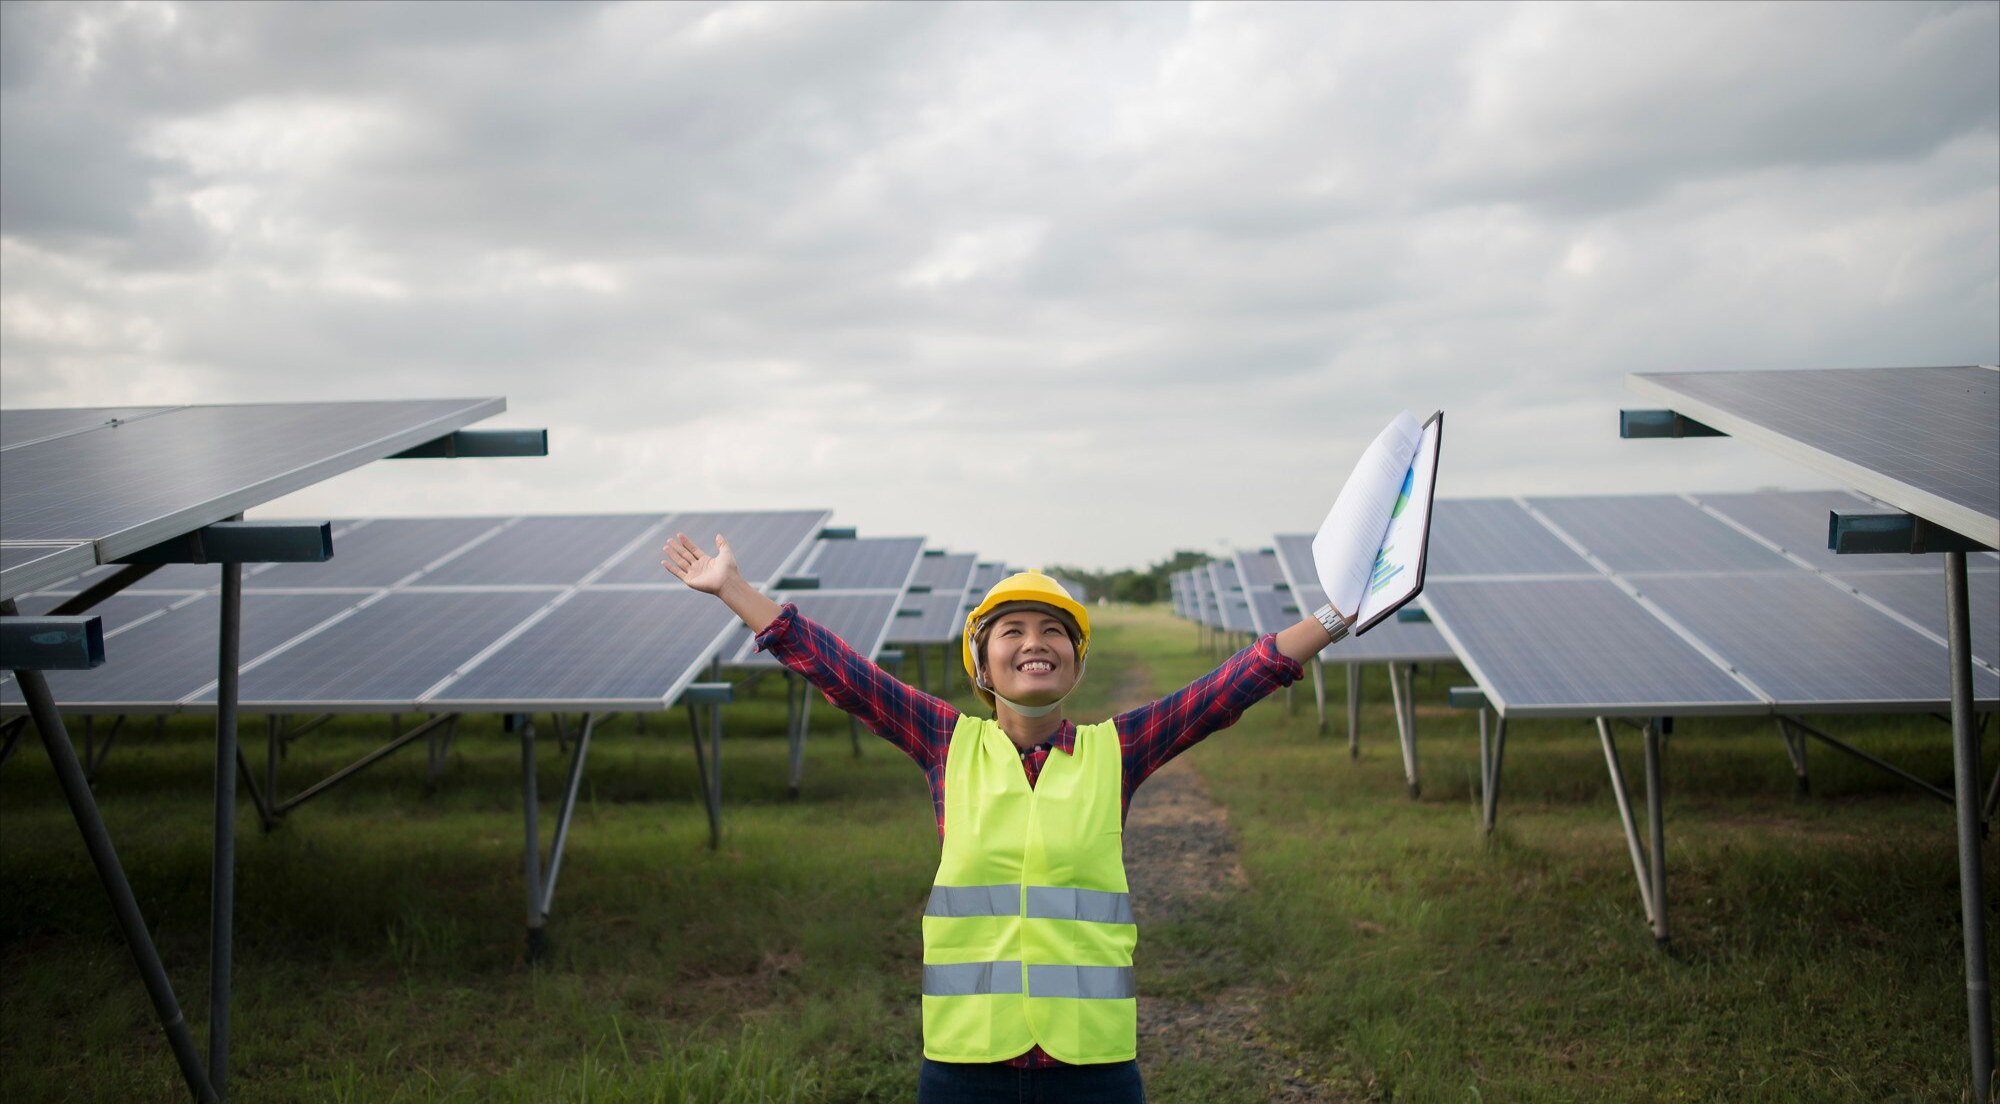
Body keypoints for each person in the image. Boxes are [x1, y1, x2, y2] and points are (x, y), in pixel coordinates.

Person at [661, 534, 1353, 1104]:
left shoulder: (1117, 750)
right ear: (983, 663)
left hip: (1094, 1068)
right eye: (1012, 631)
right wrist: (735, 591)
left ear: (1075, 665)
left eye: (1054, 631)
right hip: (966, 1066)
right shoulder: (947, 742)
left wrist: (1333, 618)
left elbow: (1232, 684)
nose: (1035, 642)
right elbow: (843, 674)